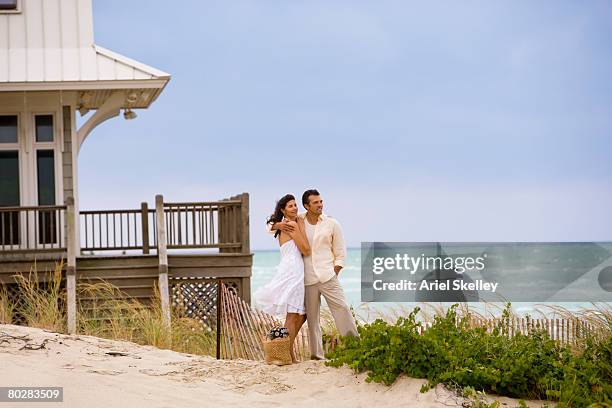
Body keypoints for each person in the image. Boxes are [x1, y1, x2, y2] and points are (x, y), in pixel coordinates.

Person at [269, 189, 358, 360]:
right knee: (312, 320)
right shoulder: (299, 219)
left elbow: (340, 254)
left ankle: (355, 348)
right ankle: (317, 356)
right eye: (316, 203)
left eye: (321, 201)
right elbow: (271, 225)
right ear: (306, 206)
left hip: (327, 276)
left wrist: (335, 272)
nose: (320, 205)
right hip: (307, 279)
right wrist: (278, 225)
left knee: (342, 310)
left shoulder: (332, 223)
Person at [254, 194, 310, 363]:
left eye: (295, 205)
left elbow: (269, 225)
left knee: (301, 314)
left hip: (290, 268)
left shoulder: (286, 223)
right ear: (283, 210)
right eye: (290, 206)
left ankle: (287, 350)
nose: (295, 208)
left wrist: (277, 223)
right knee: (293, 315)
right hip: (294, 270)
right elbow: (306, 249)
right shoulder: (291, 224)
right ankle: (286, 354)